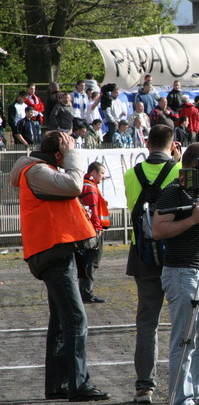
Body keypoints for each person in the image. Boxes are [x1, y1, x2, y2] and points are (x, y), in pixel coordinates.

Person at [9, 131, 109, 401]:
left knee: (61, 321)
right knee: (76, 319)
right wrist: (73, 157)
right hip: (52, 251)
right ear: (58, 153)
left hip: (55, 250)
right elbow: (74, 185)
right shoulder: (37, 171)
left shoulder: (40, 169)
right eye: (68, 149)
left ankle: (58, 385)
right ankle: (79, 385)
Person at [152, 142, 199, 405]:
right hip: (180, 273)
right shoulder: (174, 191)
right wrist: (192, 219)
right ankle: (181, 399)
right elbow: (157, 230)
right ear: (194, 164)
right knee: (184, 339)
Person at [124, 125, 182, 403]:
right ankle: (183, 384)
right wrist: (179, 162)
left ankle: (144, 387)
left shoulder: (129, 174)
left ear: (147, 143)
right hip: (176, 252)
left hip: (142, 254)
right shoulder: (178, 171)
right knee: (184, 319)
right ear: (172, 145)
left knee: (147, 322)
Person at [79, 162, 110, 303]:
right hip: (93, 230)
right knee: (92, 261)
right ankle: (86, 292)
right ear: (93, 173)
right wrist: (97, 228)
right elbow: (93, 210)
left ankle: (84, 291)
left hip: (90, 229)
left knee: (89, 261)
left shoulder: (88, 185)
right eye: (101, 173)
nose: (103, 176)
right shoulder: (90, 187)